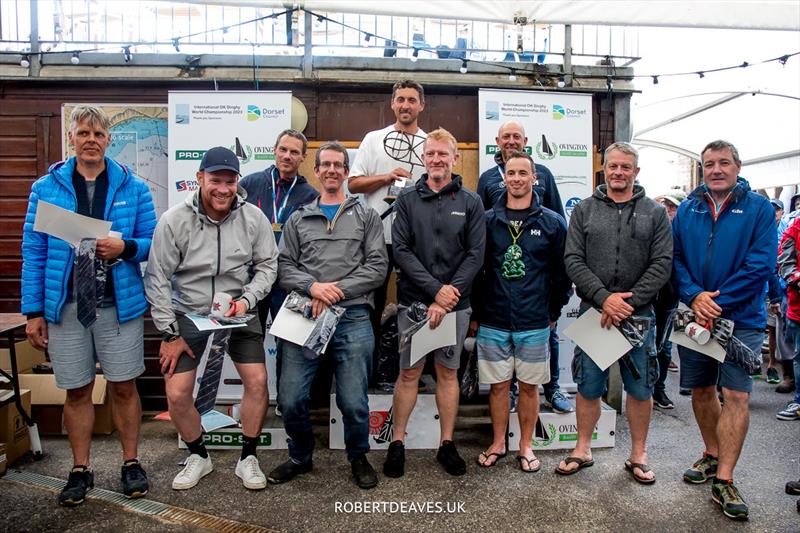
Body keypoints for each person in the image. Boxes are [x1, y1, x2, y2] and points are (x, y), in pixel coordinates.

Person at [21, 105, 156, 505]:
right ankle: (80, 469)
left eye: (98, 134)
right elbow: (34, 251)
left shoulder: (134, 188)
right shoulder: (46, 188)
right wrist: (34, 312)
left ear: (108, 140)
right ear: (72, 138)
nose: (91, 140)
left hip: (118, 305)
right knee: (77, 391)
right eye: (83, 133)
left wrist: (125, 246)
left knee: (124, 386)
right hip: (65, 308)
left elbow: (152, 243)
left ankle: (131, 462)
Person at [144, 147, 278, 491]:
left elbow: (267, 265)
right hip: (187, 312)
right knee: (176, 393)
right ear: (200, 178)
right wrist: (170, 332)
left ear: (238, 182)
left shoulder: (254, 218)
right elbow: (157, 277)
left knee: (258, 381)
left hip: (237, 311)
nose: (222, 188)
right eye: (215, 180)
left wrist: (246, 300)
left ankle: (248, 457)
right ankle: (198, 456)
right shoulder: (174, 220)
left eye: (230, 181)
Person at [267, 142, 387, 489]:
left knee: (353, 400)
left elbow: (378, 267)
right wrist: (313, 287)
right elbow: (284, 266)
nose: (332, 170)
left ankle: (358, 456)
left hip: (351, 316)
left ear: (347, 172)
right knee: (290, 398)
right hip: (305, 314)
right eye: (326, 165)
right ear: (316, 171)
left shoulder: (366, 216)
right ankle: (300, 456)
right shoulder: (298, 218)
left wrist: (335, 290)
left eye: (339, 165)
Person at [673, 140, 776, 521]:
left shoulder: (759, 208)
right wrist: (694, 295)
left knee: (736, 394)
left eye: (723, 163)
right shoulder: (688, 208)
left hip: (741, 318)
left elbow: (761, 263)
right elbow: (676, 259)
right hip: (693, 315)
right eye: (709, 164)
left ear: (737, 165)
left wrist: (716, 302)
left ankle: (725, 479)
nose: (716, 169)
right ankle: (711, 454)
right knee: (700, 391)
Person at [558, 142, 672, 485]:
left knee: (640, 388)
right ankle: (582, 448)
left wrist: (629, 301)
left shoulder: (655, 212)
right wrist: (605, 298)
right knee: (588, 385)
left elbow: (662, 263)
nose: (618, 173)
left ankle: (638, 454)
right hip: (595, 313)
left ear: (636, 172)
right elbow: (573, 260)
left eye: (626, 167)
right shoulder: (585, 210)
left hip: (638, 315)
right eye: (612, 167)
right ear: (603, 169)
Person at [383, 128, 485, 478]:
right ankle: (397, 442)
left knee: (447, 373)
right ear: (423, 158)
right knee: (409, 373)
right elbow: (402, 252)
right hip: (415, 306)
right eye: (431, 154)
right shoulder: (407, 200)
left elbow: (475, 255)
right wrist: (434, 292)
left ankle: (446, 444)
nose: (437, 160)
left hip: (455, 305)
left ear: (455, 158)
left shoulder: (471, 202)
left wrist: (448, 294)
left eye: (444, 154)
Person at [471, 150, 571, 472]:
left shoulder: (553, 223)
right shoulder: (487, 221)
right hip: (494, 319)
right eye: (510, 173)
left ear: (534, 178)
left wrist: (553, 311)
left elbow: (562, 274)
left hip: (534, 320)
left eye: (522, 173)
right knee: (499, 387)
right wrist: (477, 313)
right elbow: (476, 270)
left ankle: (526, 446)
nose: (516, 179)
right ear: (504, 179)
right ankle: (499, 442)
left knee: (529, 387)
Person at [348, 80, 427, 384]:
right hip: (376, 237)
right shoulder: (373, 139)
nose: (405, 105)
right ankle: (368, 374)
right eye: (400, 100)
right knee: (372, 307)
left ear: (421, 105)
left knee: (416, 307)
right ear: (392, 104)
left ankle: (414, 372)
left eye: (411, 100)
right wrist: (387, 177)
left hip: (415, 241)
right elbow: (354, 184)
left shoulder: (428, 143)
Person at [239, 129, 319, 331]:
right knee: (249, 341)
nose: (287, 156)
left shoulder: (311, 196)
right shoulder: (249, 184)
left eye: (294, 152)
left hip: (288, 281)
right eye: (283, 149)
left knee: (288, 341)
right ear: (274, 150)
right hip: (251, 276)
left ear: (303, 157)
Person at [652, 189, 686, 409]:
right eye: (666, 204)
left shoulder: (683, 233)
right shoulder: (653, 225)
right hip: (643, 296)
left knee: (663, 347)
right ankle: (608, 392)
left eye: (673, 206)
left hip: (669, 297)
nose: (668, 210)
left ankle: (659, 390)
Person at [776, 216, 800, 421]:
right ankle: (799, 401)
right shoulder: (795, 227)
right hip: (798, 307)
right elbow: (784, 262)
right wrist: (797, 278)